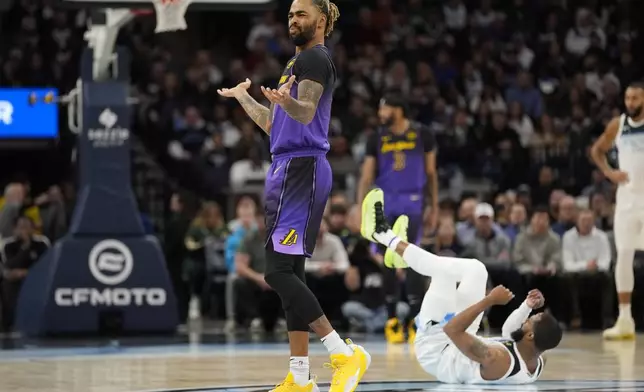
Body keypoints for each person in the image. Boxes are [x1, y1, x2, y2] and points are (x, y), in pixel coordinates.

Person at [216, 1, 370, 391]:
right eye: (289, 15)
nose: (293, 20)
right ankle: (299, 378)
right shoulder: (293, 65)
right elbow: (274, 124)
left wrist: (289, 103)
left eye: (301, 14)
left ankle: (342, 353)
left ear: (321, 20)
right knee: (292, 275)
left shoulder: (316, 59)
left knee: (276, 272)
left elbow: (305, 112)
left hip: (302, 169)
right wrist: (244, 98)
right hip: (286, 167)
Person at [360, 188, 563, 384]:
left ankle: (381, 234)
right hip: (463, 338)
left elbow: (452, 329)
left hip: (436, 347)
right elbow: (509, 332)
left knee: (443, 273)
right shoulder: (536, 359)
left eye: (532, 319)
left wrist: (489, 300)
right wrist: (527, 305)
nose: (528, 318)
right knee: (477, 269)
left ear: (531, 335)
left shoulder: (496, 359)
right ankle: (399, 252)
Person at [356, 94, 438, 344]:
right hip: (385, 201)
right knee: (387, 260)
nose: (380, 112)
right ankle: (392, 320)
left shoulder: (423, 134)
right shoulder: (376, 137)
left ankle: (414, 320)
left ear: (399, 109)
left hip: (413, 201)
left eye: (385, 107)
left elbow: (431, 173)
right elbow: (366, 176)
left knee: (412, 259)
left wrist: (434, 206)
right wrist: (361, 209)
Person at [590, 80, 644, 340]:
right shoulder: (618, 124)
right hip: (627, 198)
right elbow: (596, 150)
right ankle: (625, 319)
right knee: (623, 256)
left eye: (635, 98)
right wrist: (609, 173)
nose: (630, 103)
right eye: (628, 98)